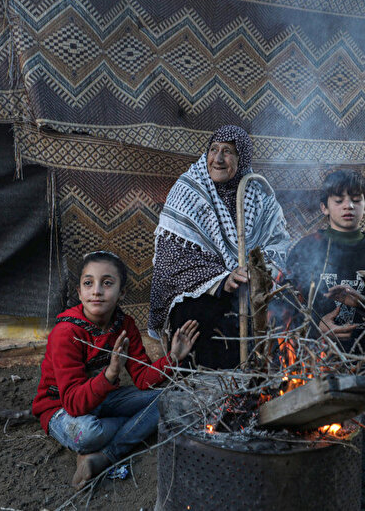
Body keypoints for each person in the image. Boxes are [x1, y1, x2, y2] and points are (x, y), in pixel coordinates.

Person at [32, 251, 199, 488]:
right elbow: (72, 403)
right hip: (61, 408)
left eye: (107, 283)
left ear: (122, 292)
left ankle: (105, 455)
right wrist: (110, 373)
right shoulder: (66, 332)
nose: (97, 291)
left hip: (104, 399)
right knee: (89, 434)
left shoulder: (125, 324)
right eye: (88, 283)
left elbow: (142, 378)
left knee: (169, 398)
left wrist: (172, 357)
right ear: (79, 292)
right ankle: (132, 427)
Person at [285, 169, 365, 445]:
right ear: (324, 207)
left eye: (356, 200)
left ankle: (359, 413)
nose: (348, 206)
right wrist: (317, 328)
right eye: (339, 200)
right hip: (314, 361)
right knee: (303, 421)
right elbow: (285, 310)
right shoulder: (306, 248)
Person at [148, 125, 291, 368]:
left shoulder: (259, 194)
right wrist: (222, 280)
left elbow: (280, 244)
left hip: (249, 287)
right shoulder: (187, 190)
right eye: (213, 150)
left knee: (280, 304)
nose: (218, 158)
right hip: (203, 293)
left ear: (241, 158)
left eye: (228, 151)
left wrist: (255, 271)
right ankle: (207, 385)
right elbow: (170, 262)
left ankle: (260, 378)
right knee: (198, 315)